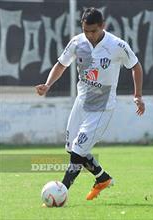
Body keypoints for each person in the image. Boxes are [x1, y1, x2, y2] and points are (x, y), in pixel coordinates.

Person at [35, 8, 145, 201]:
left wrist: (137, 95)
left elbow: (135, 66)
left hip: (102, 107)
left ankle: (62, 190)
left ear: (102, 26)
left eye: (93, 31)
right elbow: (61, 64)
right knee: (71, 148)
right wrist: (48, 84)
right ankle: (102, 178)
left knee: (78, 150)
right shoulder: (77, 42)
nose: (89, 35)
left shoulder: (116, 45)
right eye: (86, 30)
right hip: (82, 101)